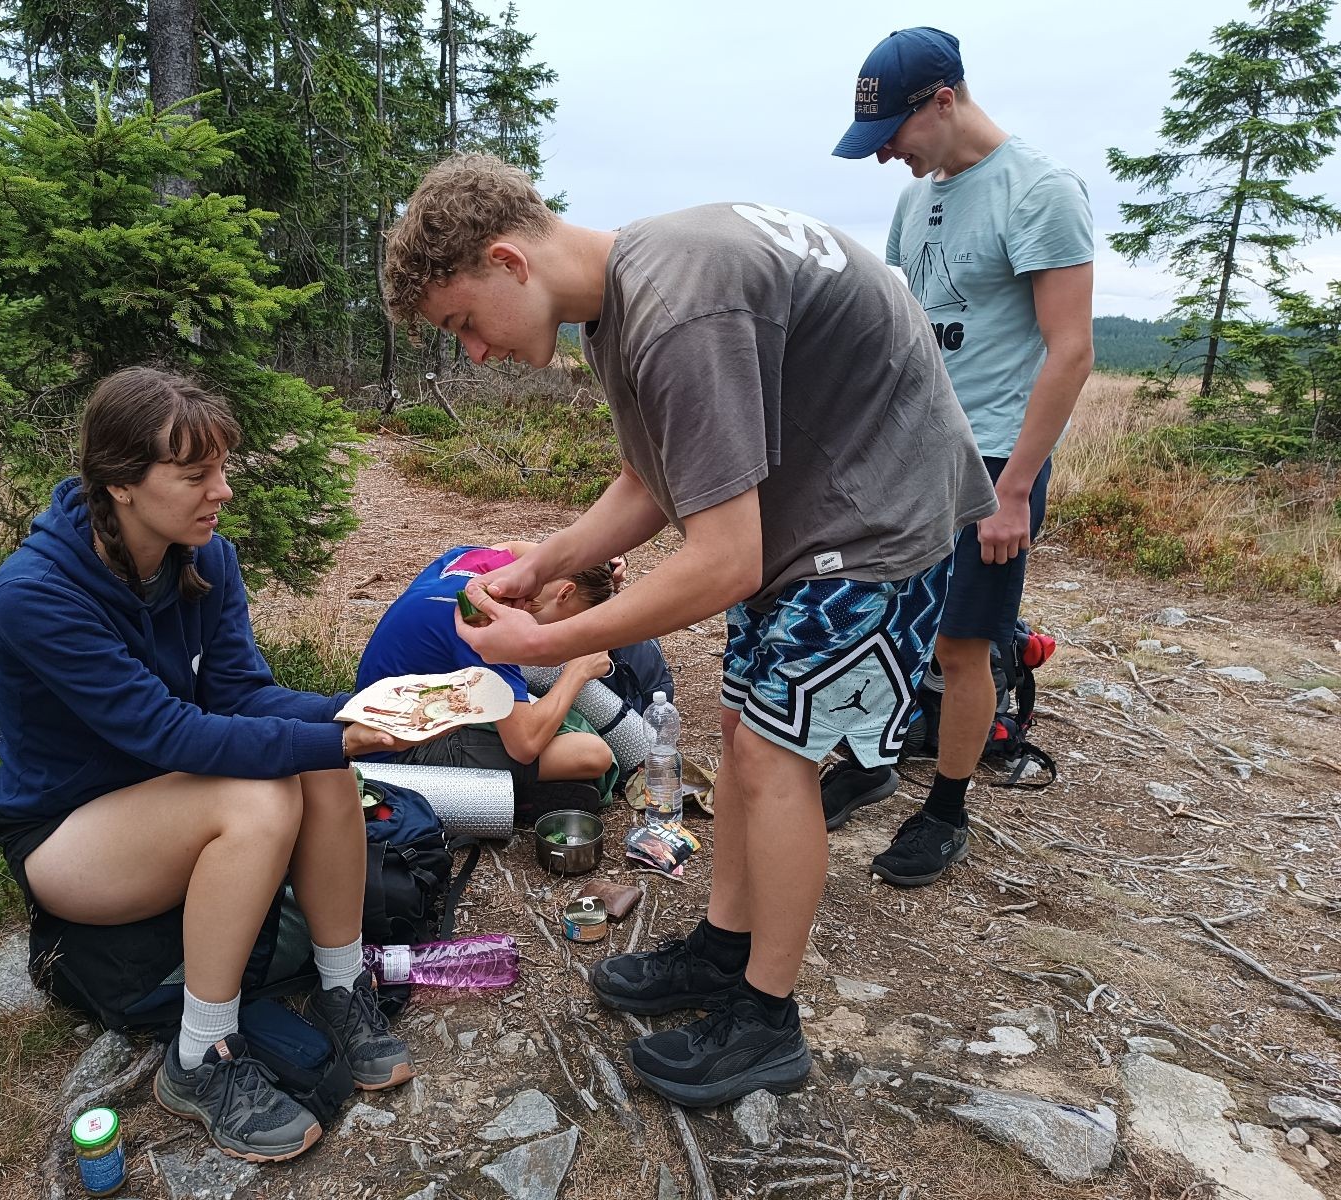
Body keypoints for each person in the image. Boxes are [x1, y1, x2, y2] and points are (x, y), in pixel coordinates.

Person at [382, 155, 996, 1106]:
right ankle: (724, 948)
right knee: (745, 734)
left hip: (875, 523)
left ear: (508, 261)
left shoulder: (675, 310)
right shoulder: (626, 299)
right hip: (820, 514)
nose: (474, 352)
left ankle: (767, 1019)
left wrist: (546, 645)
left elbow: (724, 562)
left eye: (463, 322)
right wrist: (545, 564)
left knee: (775, 761)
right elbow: (649, 482)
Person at [0, 367, 416, 1163]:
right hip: (67, 839)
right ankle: (200, 1059)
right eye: (195, 476)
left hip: (169, 800)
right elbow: (168, 734)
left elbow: (242, 694)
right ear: (120, 483)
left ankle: (341, 984)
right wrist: (335, 737)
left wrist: (359, 712)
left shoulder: (203, 558)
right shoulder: (36, 593)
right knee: (262, 799)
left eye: (221, 469)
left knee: (320, 764)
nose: (222, 491)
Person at [829, 27, 1094, 886]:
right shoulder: (916, 200)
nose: (886, 156)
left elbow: (1071, 352)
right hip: (911, 449)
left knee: (960, 642)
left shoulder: (1039, 191)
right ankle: (869, 762)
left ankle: (945, 811)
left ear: (943, 100)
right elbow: (898, 329)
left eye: (893, 135)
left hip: (992, 462)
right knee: (878, 617)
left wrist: (1013, 492)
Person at [355, 543, 618, 821]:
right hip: (397, 753)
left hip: (378, 716)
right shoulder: (485, 622)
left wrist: (594, 559)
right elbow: (525, 745)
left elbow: (517, 547)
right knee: (592, 754)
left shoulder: (480, 564)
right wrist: (578, 670)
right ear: (565, 593)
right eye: (572, 624)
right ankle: (511, 796)